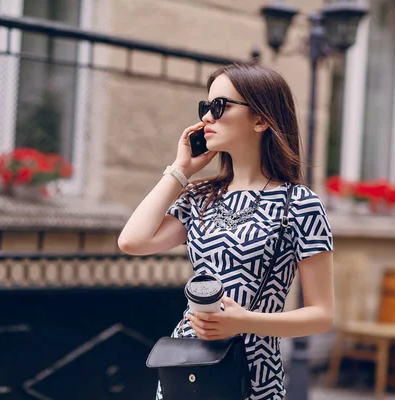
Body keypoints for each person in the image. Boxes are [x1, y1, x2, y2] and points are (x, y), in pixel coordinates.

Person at [118, 63, 334, 400]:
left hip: (251, 374)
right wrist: (180, 170)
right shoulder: (201, 197)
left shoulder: (300, 204)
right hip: (186, 365)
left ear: (261, 120)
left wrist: (245, 321)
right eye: (205, 107)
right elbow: (132, 241)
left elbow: (321, 316)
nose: (207, 118)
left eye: (219, 106)